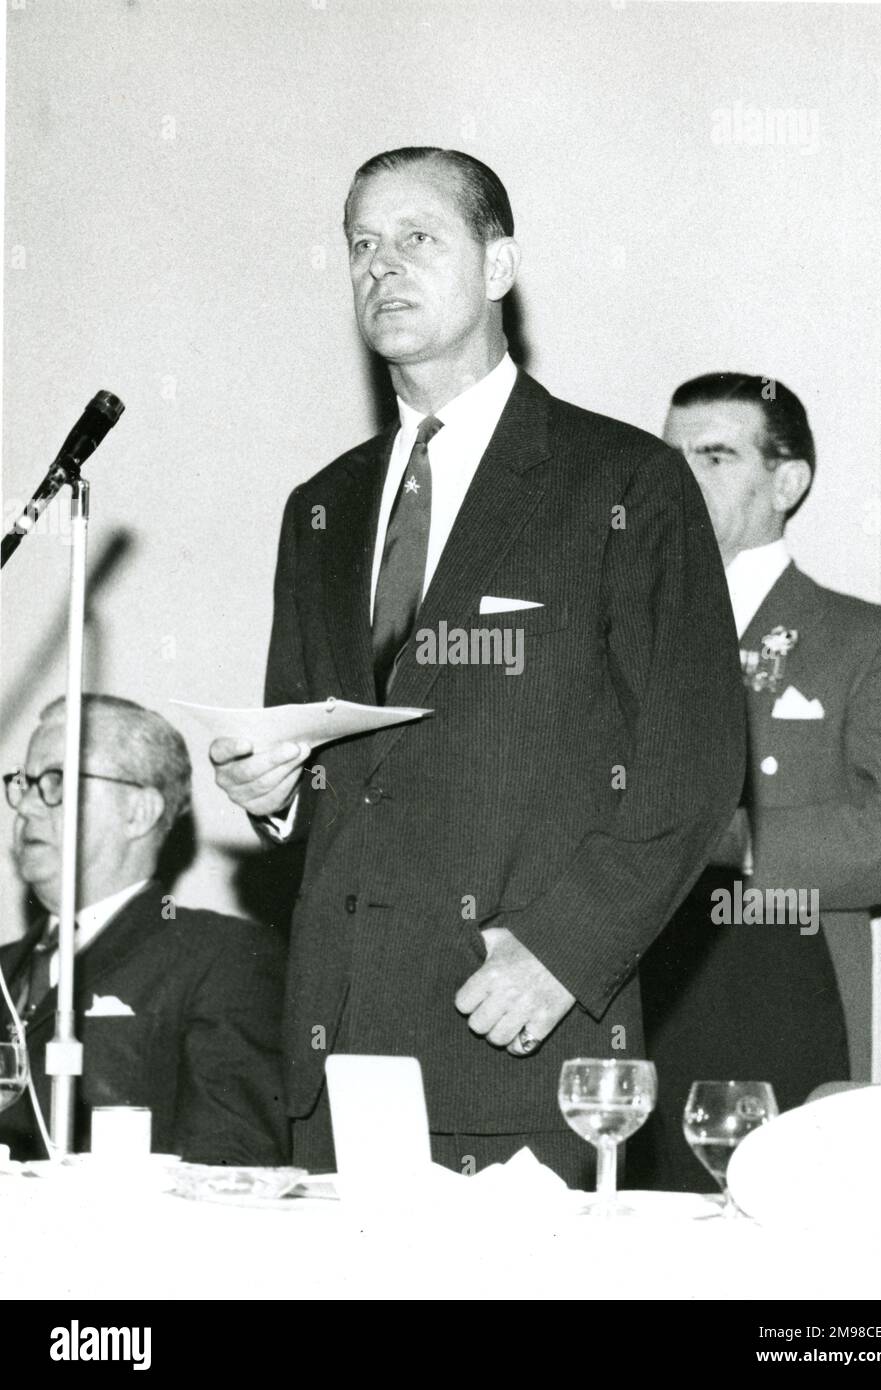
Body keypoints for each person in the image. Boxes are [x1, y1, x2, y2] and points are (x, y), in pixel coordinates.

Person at [211, 147, 745, 1186]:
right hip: (334, 1049)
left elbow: (692, 761)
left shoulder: (622, 481)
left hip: (516, 1037)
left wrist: (561, 952)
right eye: (361, 245)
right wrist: (269, 793)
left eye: (417, 238)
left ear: (498, 266)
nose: (381, 266)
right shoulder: (317, 507)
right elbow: (319, 757)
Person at [636, 372, 881, 1190]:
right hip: (618, 985)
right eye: (670, 459)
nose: (682, 479)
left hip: (772, 983)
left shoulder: (865, 641)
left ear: (787, 480)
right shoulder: (615, 634)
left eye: (713, 456)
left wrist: (733, 840)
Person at [0, 695, 289, 1165]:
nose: (27, 808)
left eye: (54, 782)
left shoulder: (221, 959)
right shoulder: (5, 967)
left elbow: (233, 1166)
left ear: (140, 811)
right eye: (24, 784)